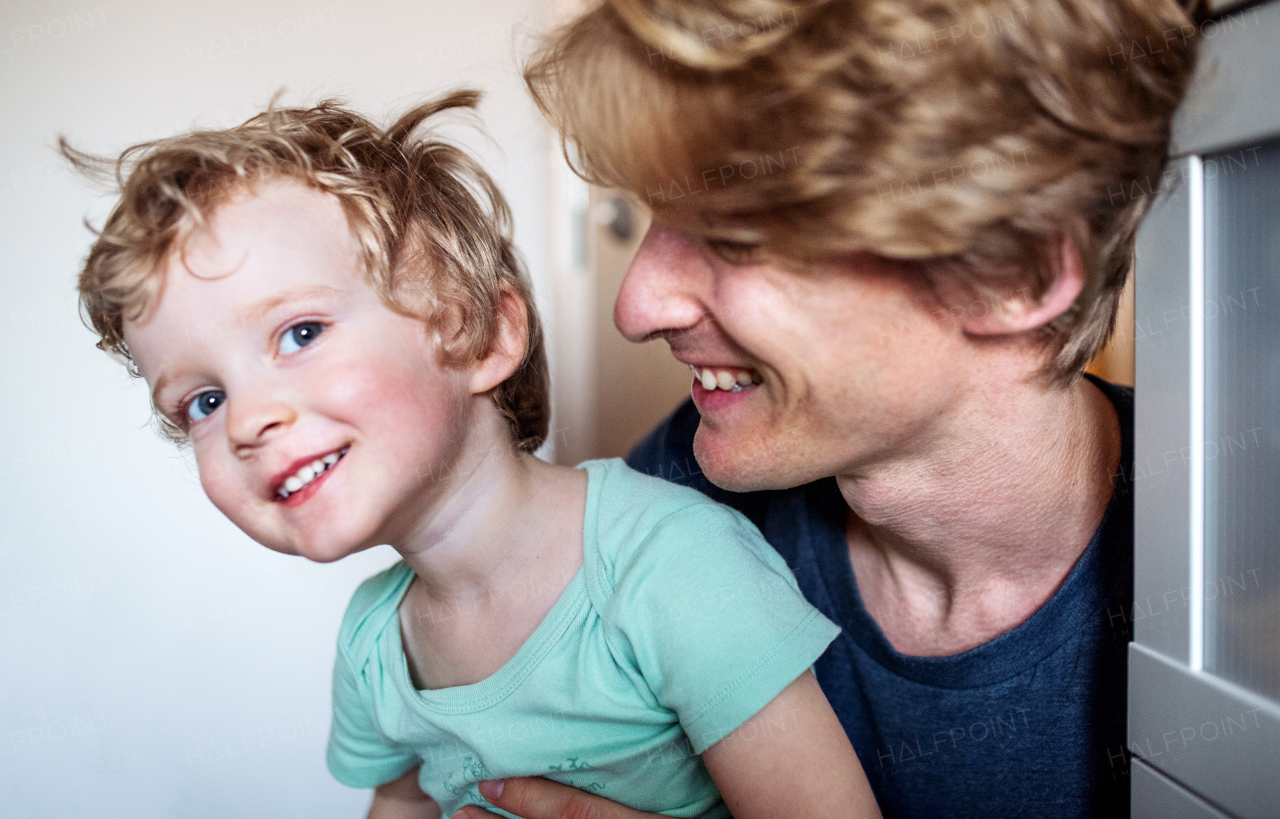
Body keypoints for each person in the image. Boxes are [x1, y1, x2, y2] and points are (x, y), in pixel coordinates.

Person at [445, 1, 1200, 817]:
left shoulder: (1234, 606)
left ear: (1008, 272)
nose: (638, 305)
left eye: (731, 232)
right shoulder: (674, 504)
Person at [65, 92, 884, 819]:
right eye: (202, 401)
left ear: (485, 335)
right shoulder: (375, 644)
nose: (246, 419)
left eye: (300, 332)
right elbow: (401, 795)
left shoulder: (672, 568)